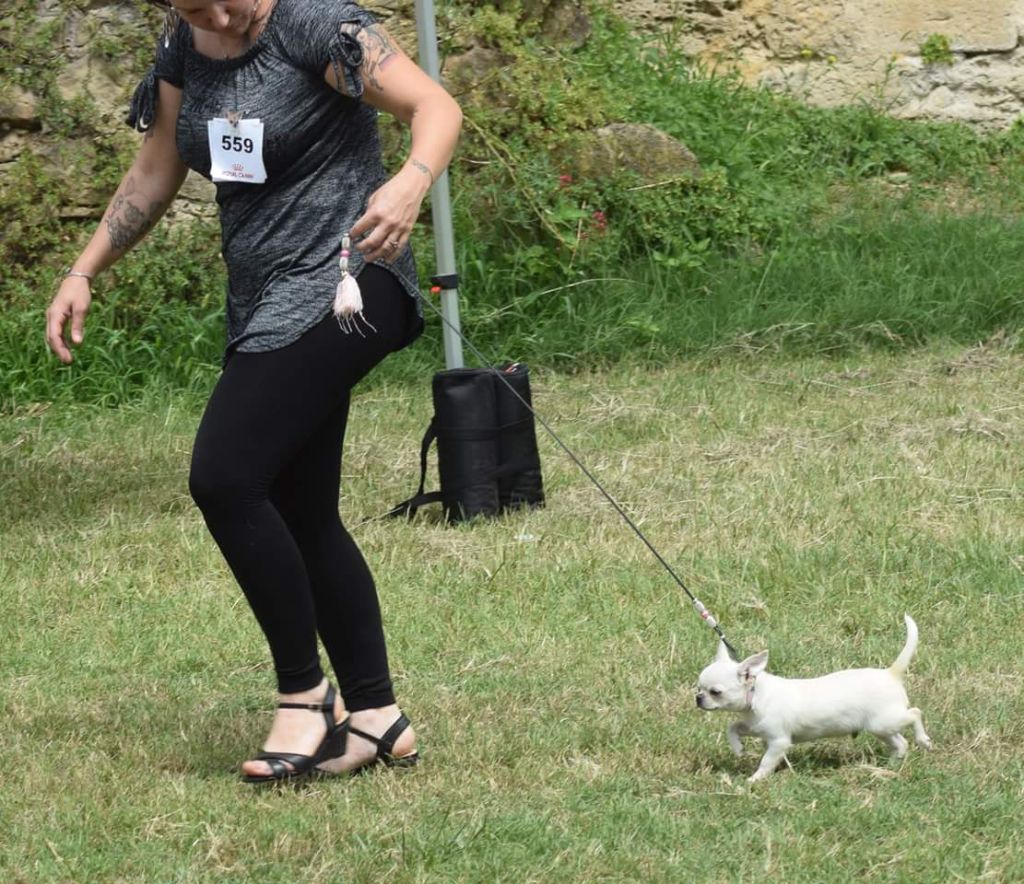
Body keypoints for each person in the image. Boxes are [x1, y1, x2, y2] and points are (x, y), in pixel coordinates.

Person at [45, 0, 462, 783]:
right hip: (264, 298)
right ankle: (377, 718)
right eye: (190, 4)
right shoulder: (184, 43)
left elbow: (434, 107)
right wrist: (83, 269)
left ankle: (305, 697)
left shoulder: (312, 24)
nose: (215, 14)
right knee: (303, 509)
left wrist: (410, 182)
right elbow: (157, 166)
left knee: (227, 476)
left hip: (349, 282)